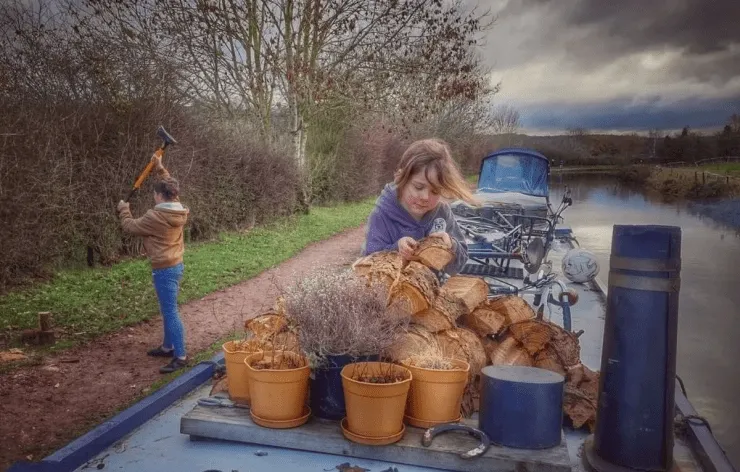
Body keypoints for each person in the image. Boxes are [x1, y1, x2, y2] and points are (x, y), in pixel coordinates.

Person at [117, 153, 190, 374]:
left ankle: (181, 355)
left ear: (159, 196)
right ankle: (168, 347)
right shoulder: (177, 209)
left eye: (155, 194)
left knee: (170, 312)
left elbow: (130, 227)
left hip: (164, 269)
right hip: (175, 264)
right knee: (167, 308)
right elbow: (170, 185)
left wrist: (123, 209)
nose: (154, 197)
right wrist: (159, 167)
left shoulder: (155, 217)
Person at [362, 138, 477, 275]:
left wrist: (451, 246)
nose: (425, 197)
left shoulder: (443, 213)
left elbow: (459, 265)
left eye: (435, 191)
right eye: (418, 187)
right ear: (401, 179)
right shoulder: (382, 214)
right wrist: (396, 249)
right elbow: (368, 261)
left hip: (431, 291)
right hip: (389, 293)